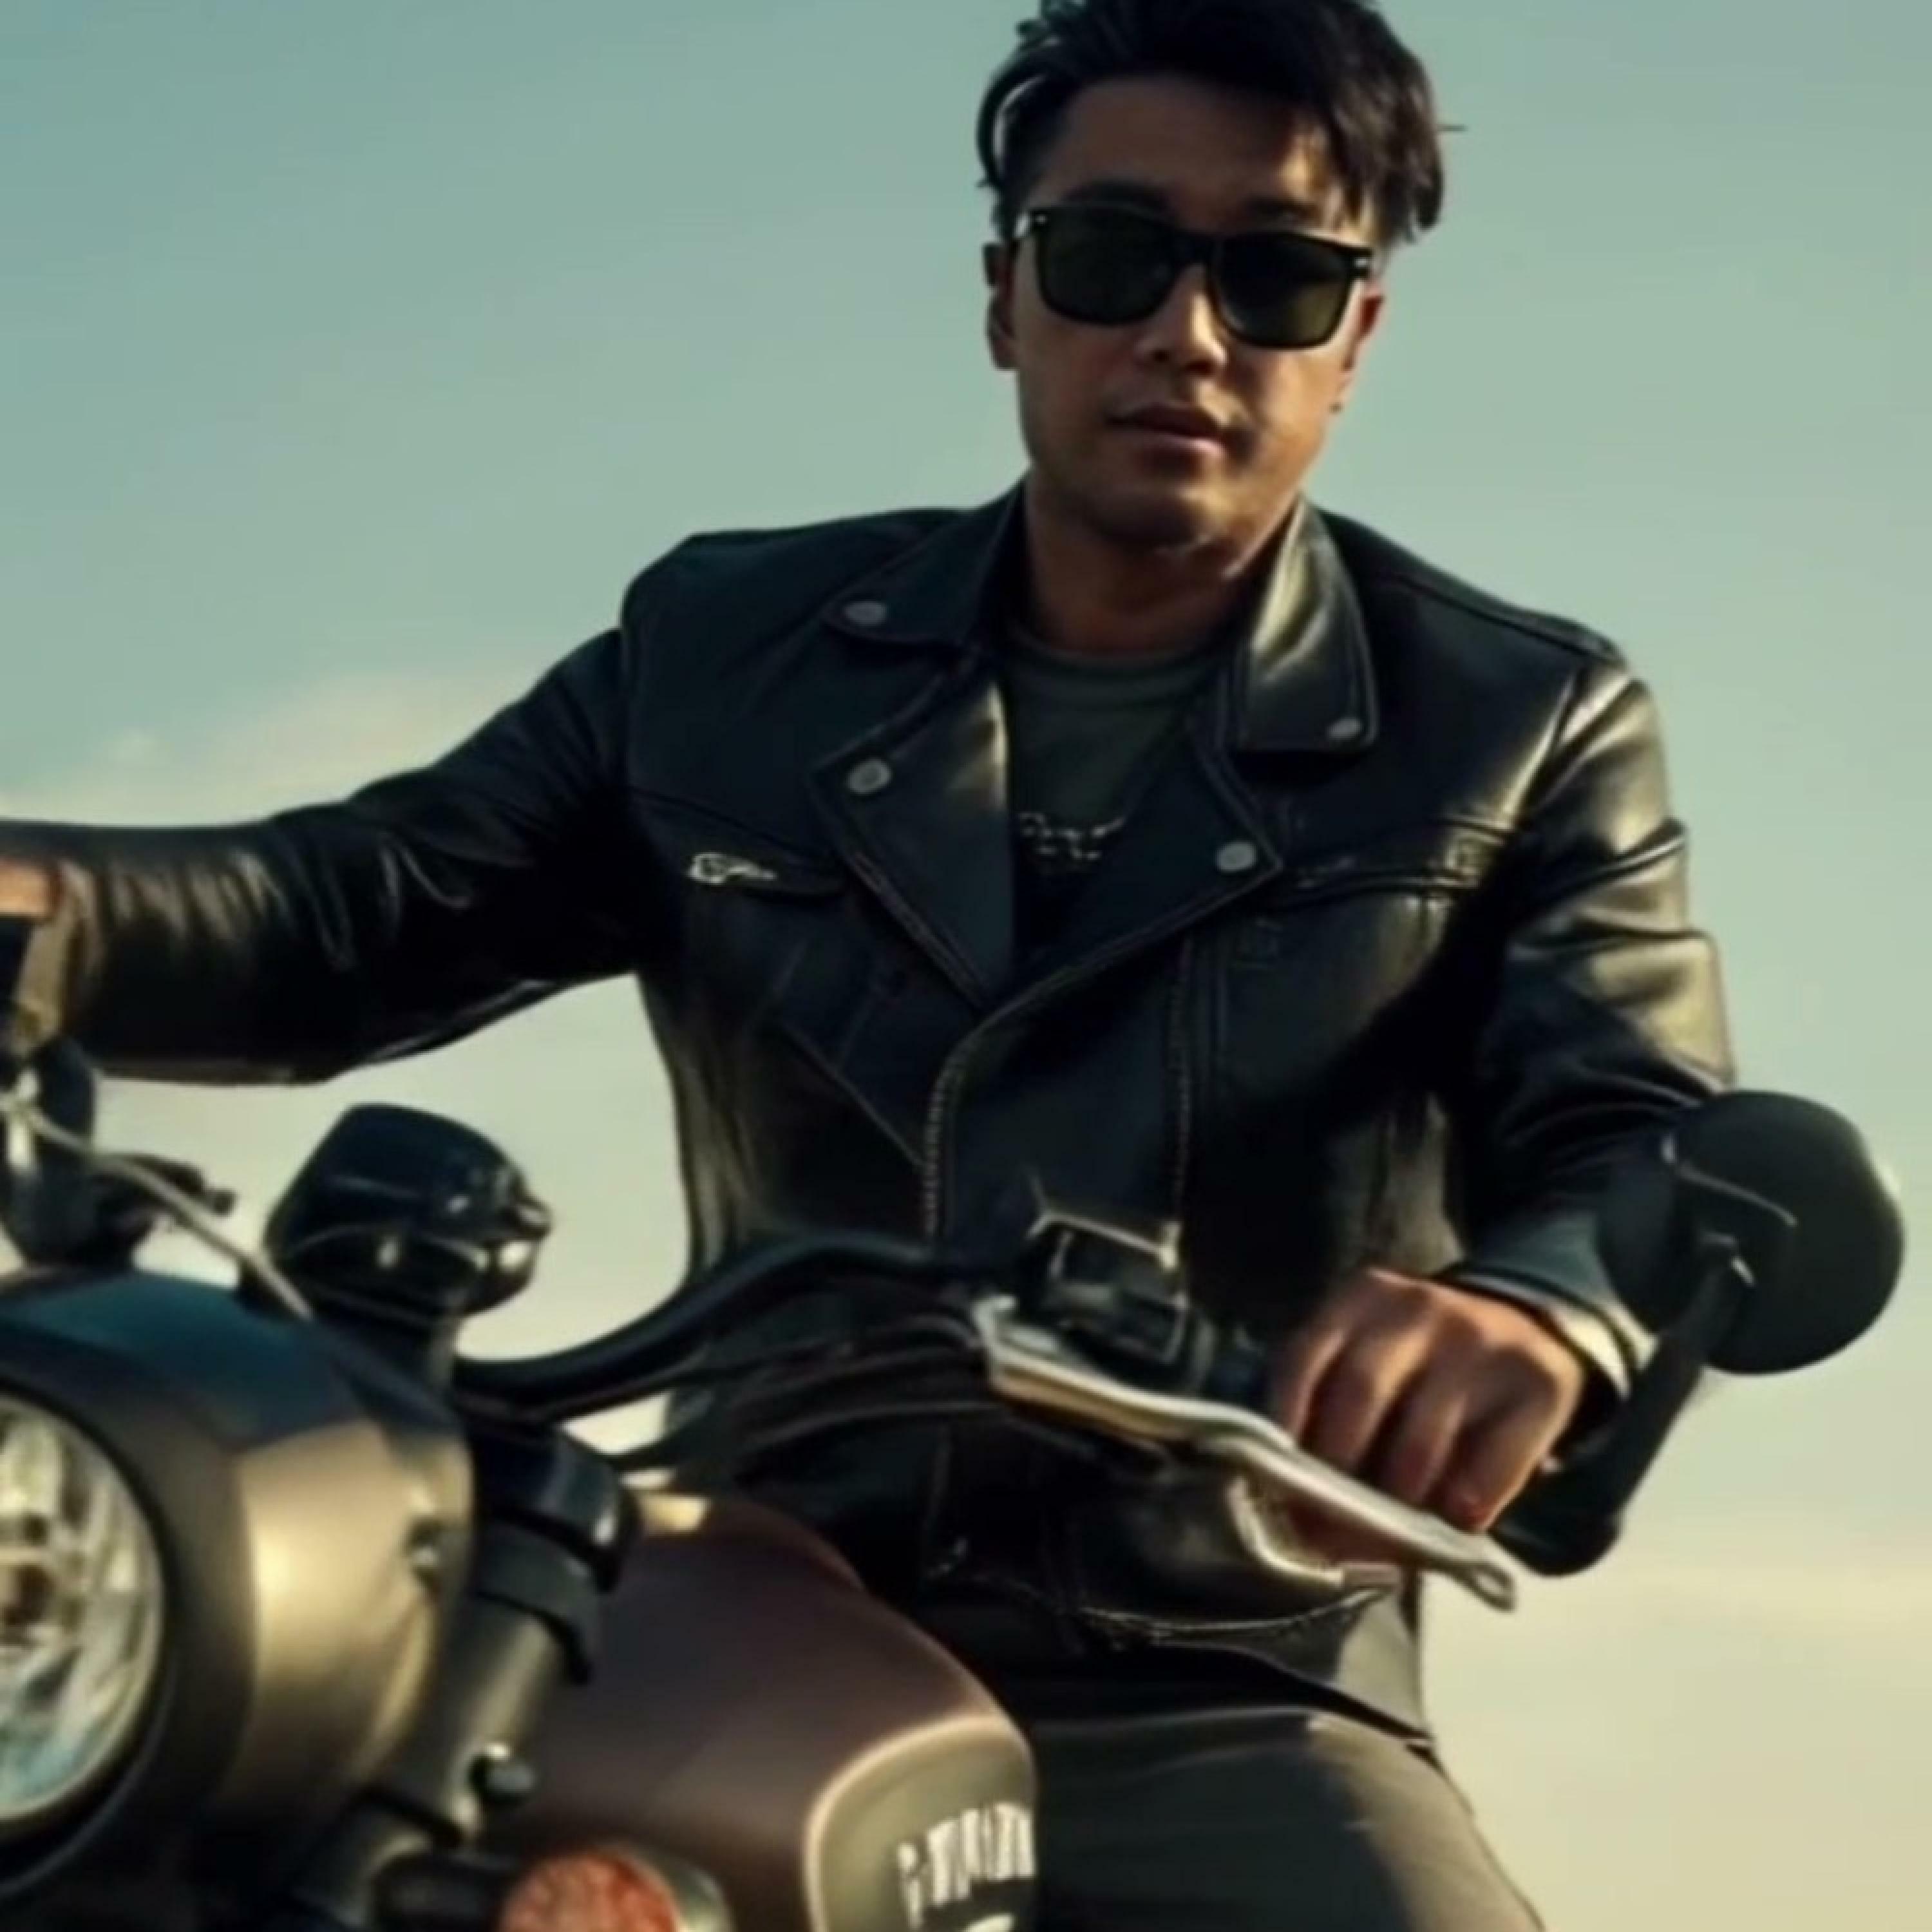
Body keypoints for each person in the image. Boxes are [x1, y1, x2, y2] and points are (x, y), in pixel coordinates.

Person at [0, 1, 1734, 1924]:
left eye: (1276, 276)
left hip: (1224, 1676)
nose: (1187, 332)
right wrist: (31, 911)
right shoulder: (724, 655)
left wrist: (1538, 1314)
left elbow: (1639, 1131)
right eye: (1111, 252)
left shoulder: (1516, 724)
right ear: (1006, 297)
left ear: (1357, 338)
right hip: (744, 1603)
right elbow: (345, 914)